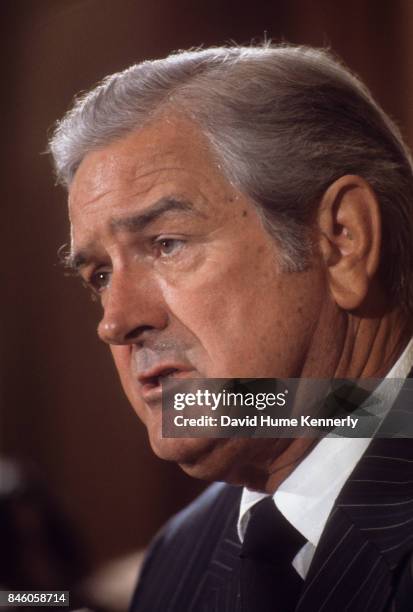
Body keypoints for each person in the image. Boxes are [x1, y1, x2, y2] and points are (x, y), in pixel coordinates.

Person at [49, 45, 413, 611]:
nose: (116, 322)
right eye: (99, 275)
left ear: (343, 240)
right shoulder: (180, 557)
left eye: (166, 245)